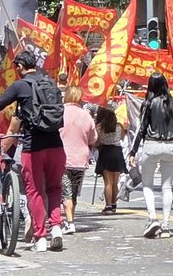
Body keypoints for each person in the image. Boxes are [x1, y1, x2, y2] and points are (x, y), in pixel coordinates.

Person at [0, 50, 67, 253]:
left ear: (19, 67)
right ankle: (57, 229)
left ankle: (41, 237)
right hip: (57, 145)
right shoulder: (50, 82)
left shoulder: (20, 86)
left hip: (33, 147)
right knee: (54, 188)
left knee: (34, 191)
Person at [129, 73, 173, 238]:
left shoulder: (148, 103)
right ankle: (166, 225)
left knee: (147, 185)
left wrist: (133, 151)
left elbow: (140, 128)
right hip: (170, 146)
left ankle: (152, 217)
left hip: (151, 144)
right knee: (167, 186)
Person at [59, 85, 97, 235]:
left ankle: (69, 222)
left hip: (63, 157)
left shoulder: (59, 112)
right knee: (73, 192)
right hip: (81, 159)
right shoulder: (86, 115)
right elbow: (94, 138)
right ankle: (70, 219)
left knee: (64, 192)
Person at [95, 105, 125, 215]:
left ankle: (108, 206)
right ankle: (113, 204)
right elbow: (122, 138)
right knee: (115, 182)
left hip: (106, 151)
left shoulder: (99, 127)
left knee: (108, 181)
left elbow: (96, 142)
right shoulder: (119, 126)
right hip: (117, 151)